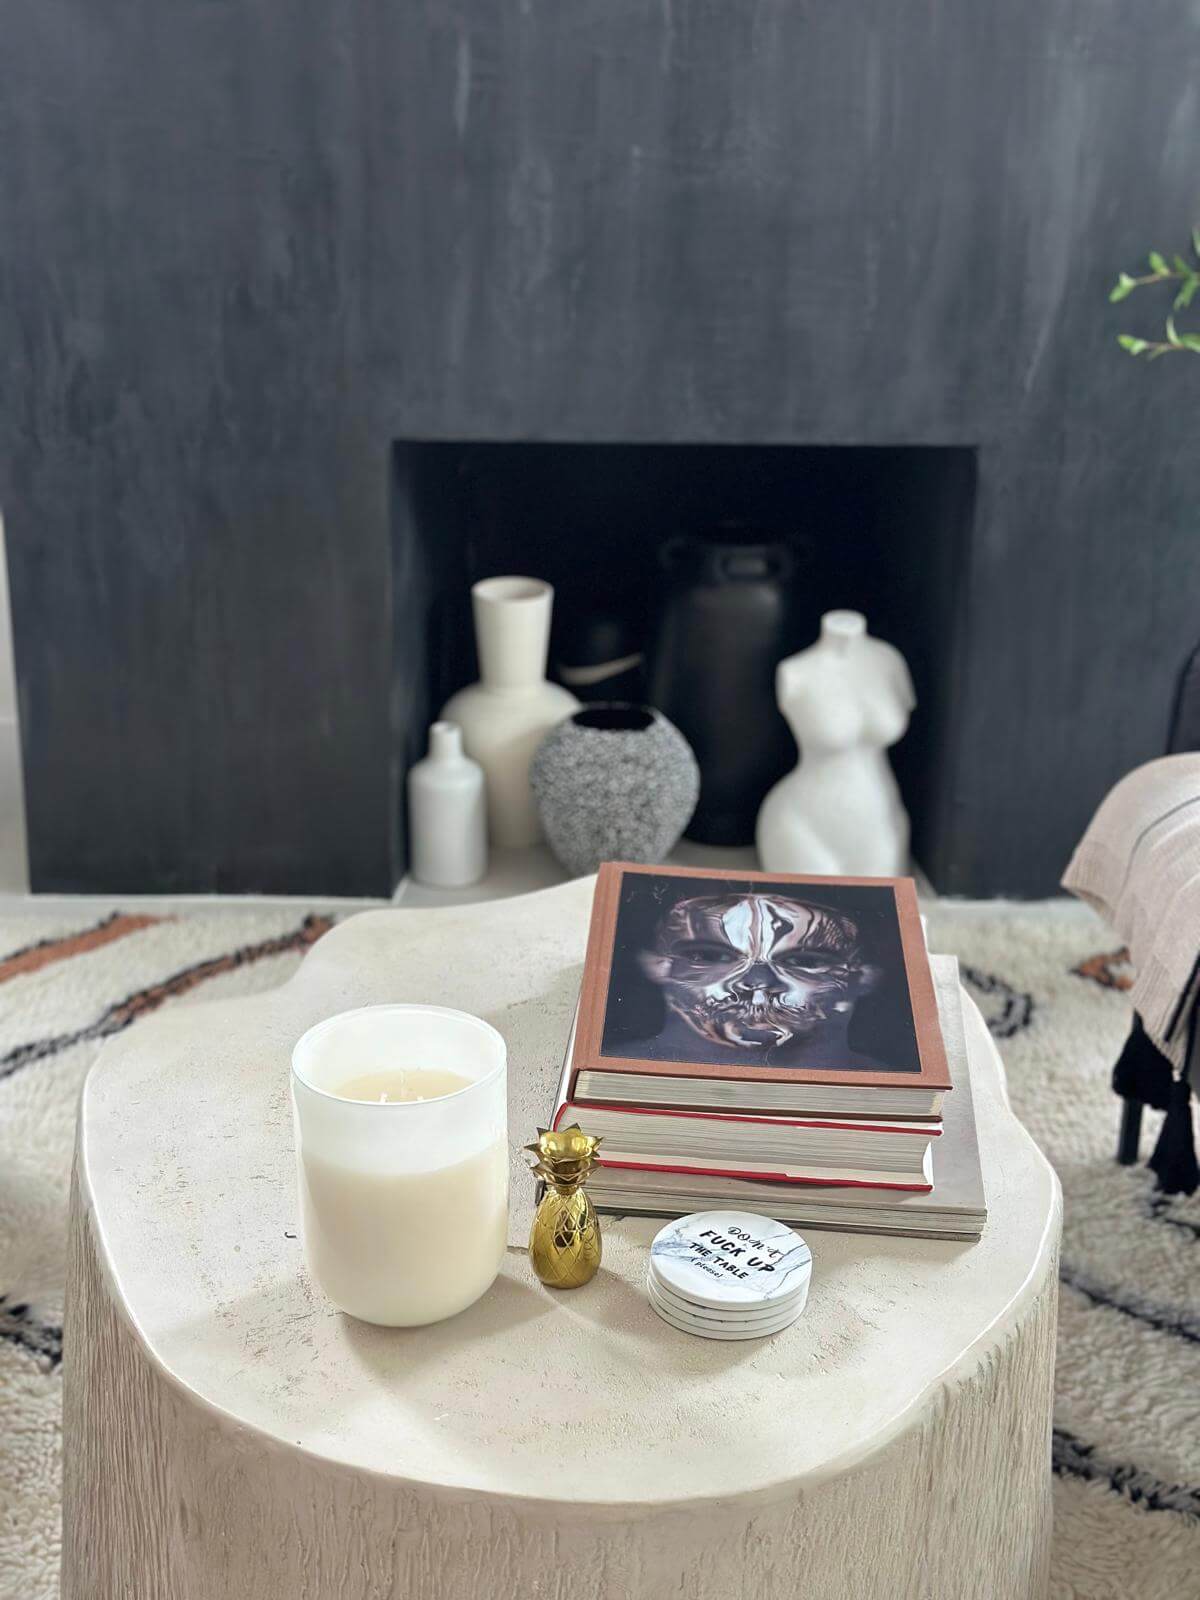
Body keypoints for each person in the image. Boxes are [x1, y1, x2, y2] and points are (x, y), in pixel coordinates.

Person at [631, 888, 887, 1068]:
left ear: (863, 978)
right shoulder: (606, 1073)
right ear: (658, 966)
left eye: (804, 961)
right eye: (712, 957)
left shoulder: (887, 1090)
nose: (756, 982)